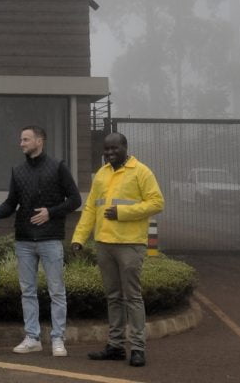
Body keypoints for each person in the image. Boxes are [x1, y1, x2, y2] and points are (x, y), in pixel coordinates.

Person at [71, 132, 164, 369]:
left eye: (114, 149)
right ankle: (115, 345)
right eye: (106, 149)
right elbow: (91, 208)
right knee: (113, 297)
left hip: (131, 244)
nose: (110, 153)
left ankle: (138, 348)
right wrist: (79, 238)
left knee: (132, 297)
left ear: (125, 147)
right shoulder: (102, 174)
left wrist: (122, 213)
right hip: (104, 244)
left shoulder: (141, 171)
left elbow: (156, 203)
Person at [0, 125, 81, 357]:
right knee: (27, 291)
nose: (21, 143)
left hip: (51, 239)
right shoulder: (17, 170)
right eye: (21, 139)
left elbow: (75, 200)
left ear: (39, 141)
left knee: (56, 291)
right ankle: (32, 337)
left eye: (25, 139)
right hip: (24, 240)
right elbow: (11, 203)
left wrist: (51, 212)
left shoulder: (58, 167)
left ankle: (58, 339)